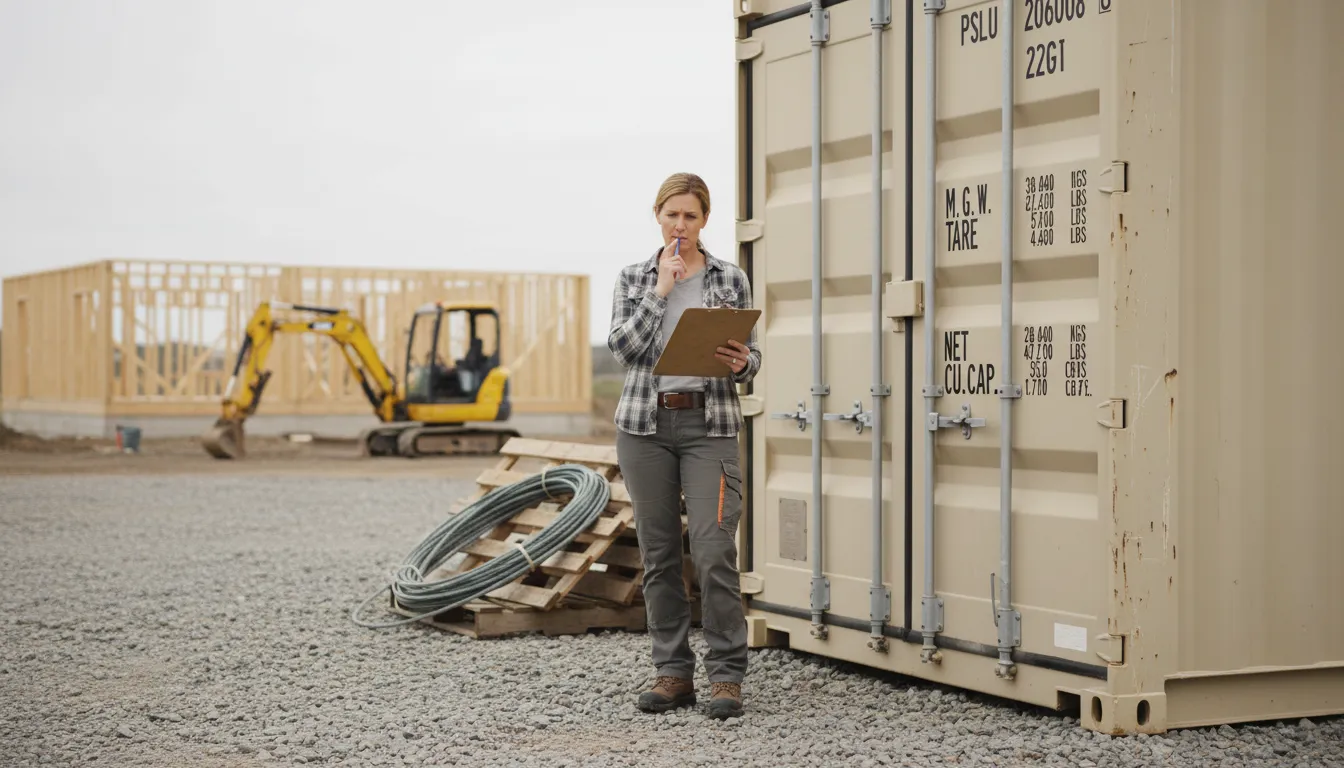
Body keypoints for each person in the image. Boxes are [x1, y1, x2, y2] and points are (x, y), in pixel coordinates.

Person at [607, 172, 761, 720]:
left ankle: (726, 678)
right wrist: (660, 292)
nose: (681, 225)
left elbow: (752, 357)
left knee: (715, 549)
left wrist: (746, 363)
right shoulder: (634, 278)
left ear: (704, 220)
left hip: (710, 428)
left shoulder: (730, 278)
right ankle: (672, 674)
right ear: (658, 216)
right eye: (672, 215)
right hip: (644, 430)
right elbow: (624, 350)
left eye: (691, 216)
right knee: (659, 554)